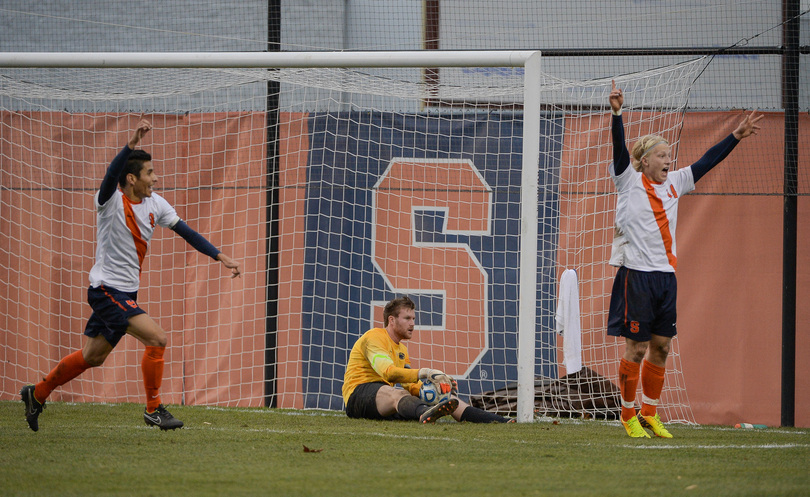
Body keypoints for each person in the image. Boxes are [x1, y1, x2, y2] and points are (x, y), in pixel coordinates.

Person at [21, 119, 241, 432]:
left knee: (92, 357)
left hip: (125, 294)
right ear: (131, 178)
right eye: (149, 173)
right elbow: (110, 176)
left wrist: (220, 256)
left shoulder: (155, 203)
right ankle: (154, 410)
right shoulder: (110, 201)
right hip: (106, 291)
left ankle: (37, 393)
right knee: (157, 339)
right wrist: (130, 145)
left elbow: (186, 232)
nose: (155, 178)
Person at [606, 81, 763, 438]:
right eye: (662, 156)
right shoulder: (628, 180)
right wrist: (617, 114)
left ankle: (650, 413)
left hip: (666, 278)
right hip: (636, 276)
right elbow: (618, 149)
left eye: (668, 156)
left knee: (660, 347)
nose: (668, 161)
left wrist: (736, 136)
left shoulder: (677, 182)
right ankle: (627, 414)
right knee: (637, 346)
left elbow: (708, 160)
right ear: (645, 161)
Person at [342, 296, 512, 424]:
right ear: (391, 320)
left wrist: (433, 387)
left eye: (414, 319)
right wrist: (426, 372)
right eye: (407, 318)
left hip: (381, 401)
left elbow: (410, 384)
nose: (412, 324)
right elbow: (389, 373)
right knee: (396, 393)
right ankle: (426, 413)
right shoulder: (374, 337)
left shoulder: (402, 349)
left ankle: (496, 421)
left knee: (447, 398)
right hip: (357, 396)